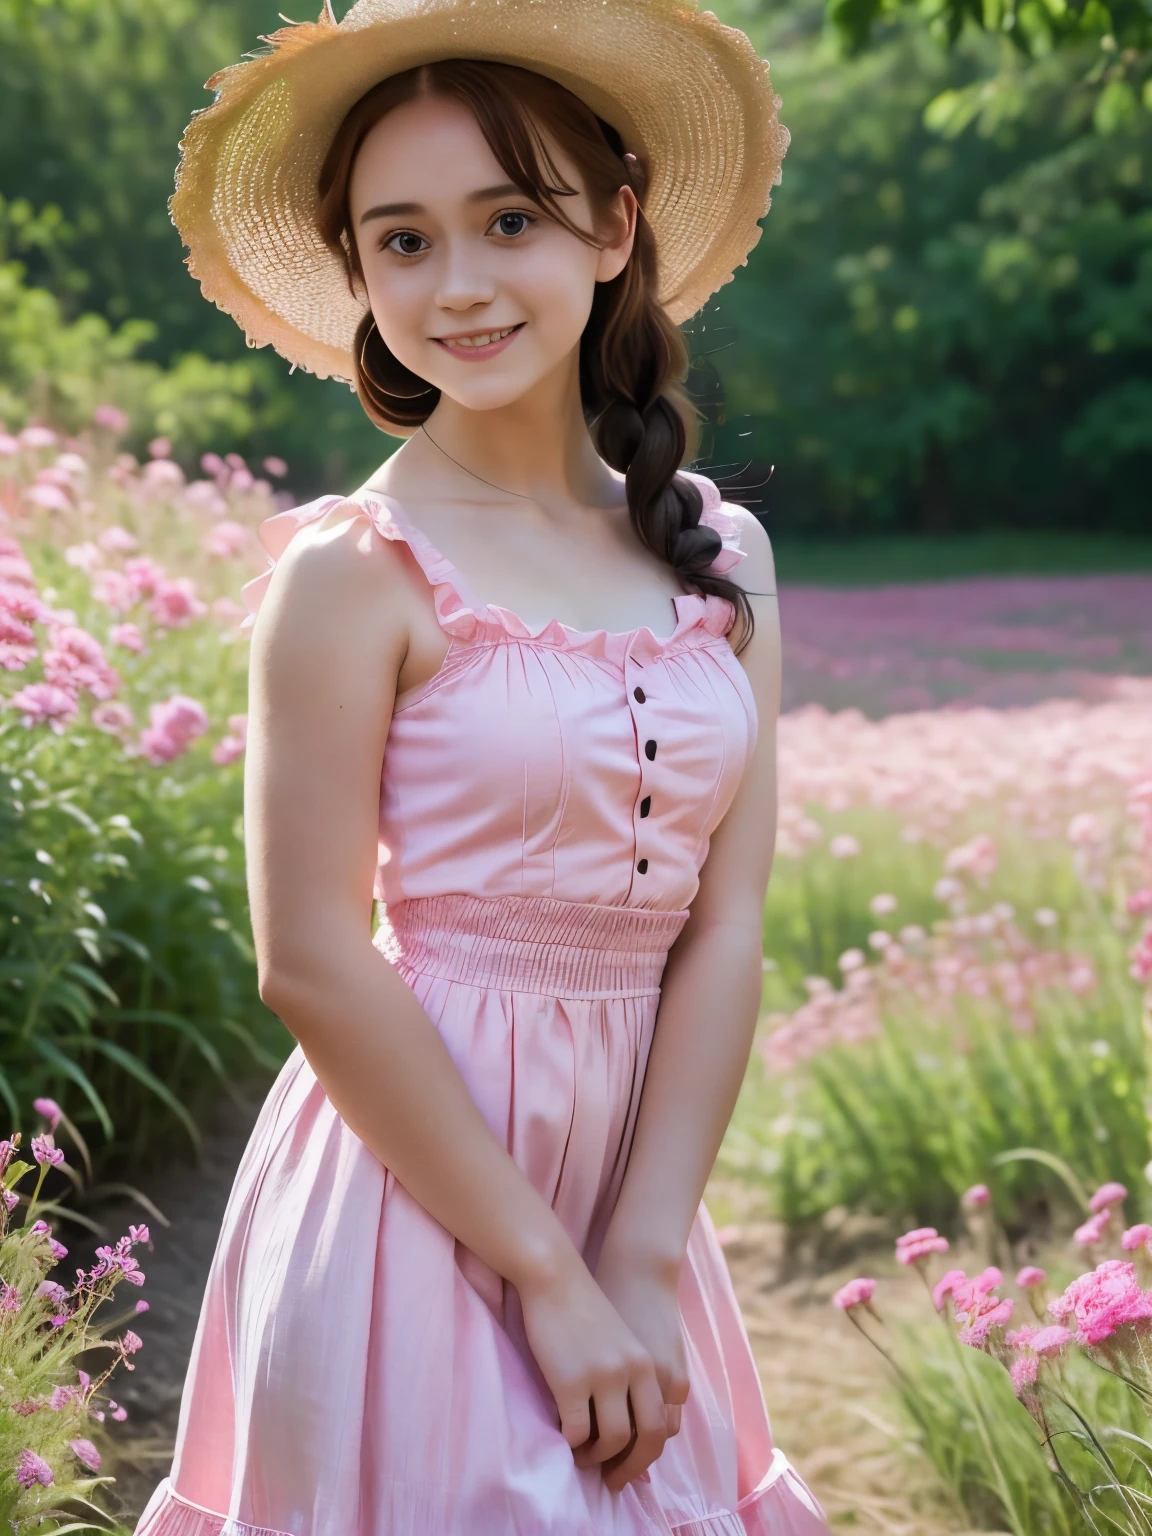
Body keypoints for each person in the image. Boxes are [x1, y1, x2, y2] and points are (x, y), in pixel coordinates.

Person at [135, 1, 827, 1531]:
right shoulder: (352, 573)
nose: (458, 284)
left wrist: (637, 1260)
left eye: (509, 218)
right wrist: (546, 1275)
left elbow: (725, 925)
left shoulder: (723, 554)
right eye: (402, 241)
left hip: (635, 1198)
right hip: (420, 1203)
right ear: (362, 274)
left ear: (612, 227)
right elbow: (312, 961)